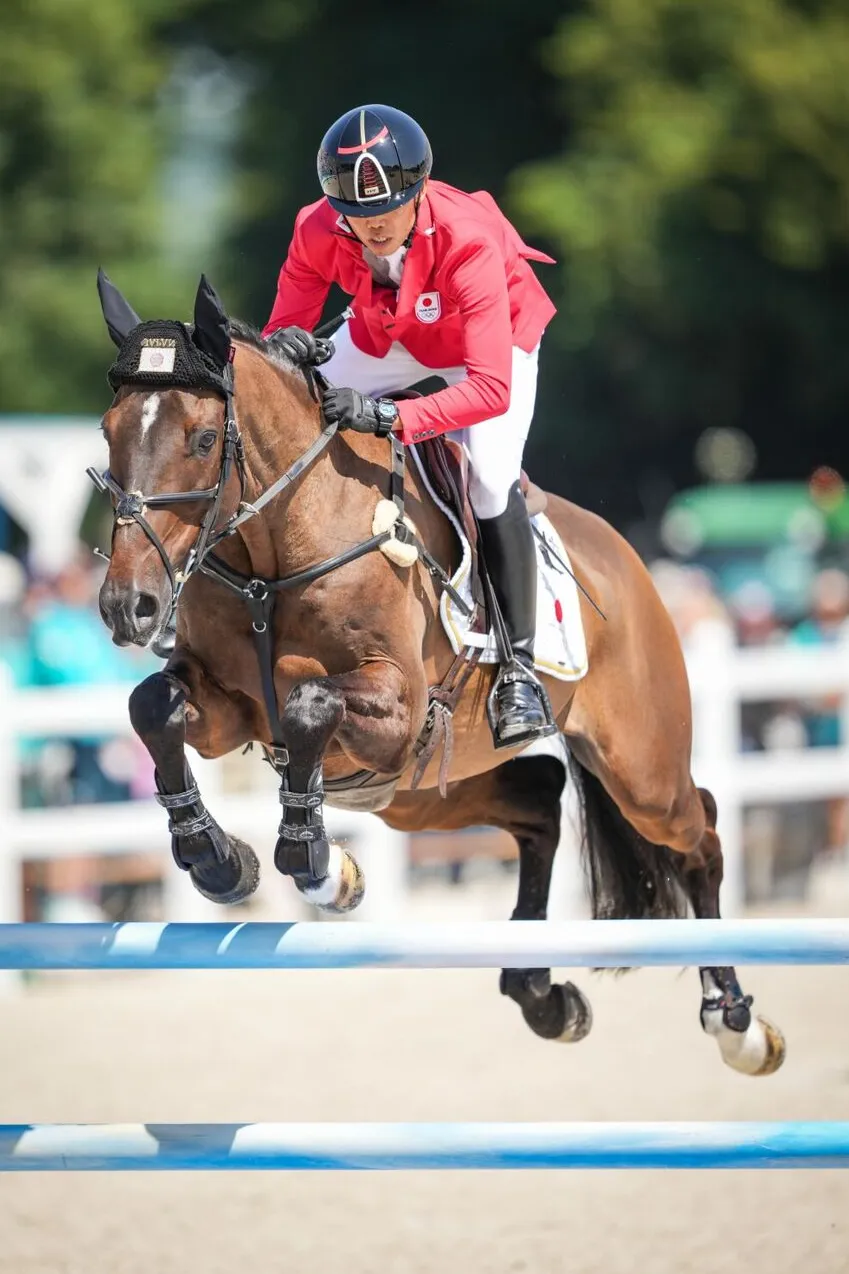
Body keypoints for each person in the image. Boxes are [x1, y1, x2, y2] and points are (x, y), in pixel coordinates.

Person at [263, 103, 558, 747]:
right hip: (389, 331)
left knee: (489, 478)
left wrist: (392, 417)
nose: (370, 226)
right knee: (284, 411)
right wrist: (286, 359)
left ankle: (519, 670)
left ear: (418, 192)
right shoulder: (317, 226)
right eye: (356, 213)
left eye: (385, 210)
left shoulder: (468, 238)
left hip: (491, 345)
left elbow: (486, 386)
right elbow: (280, 338)